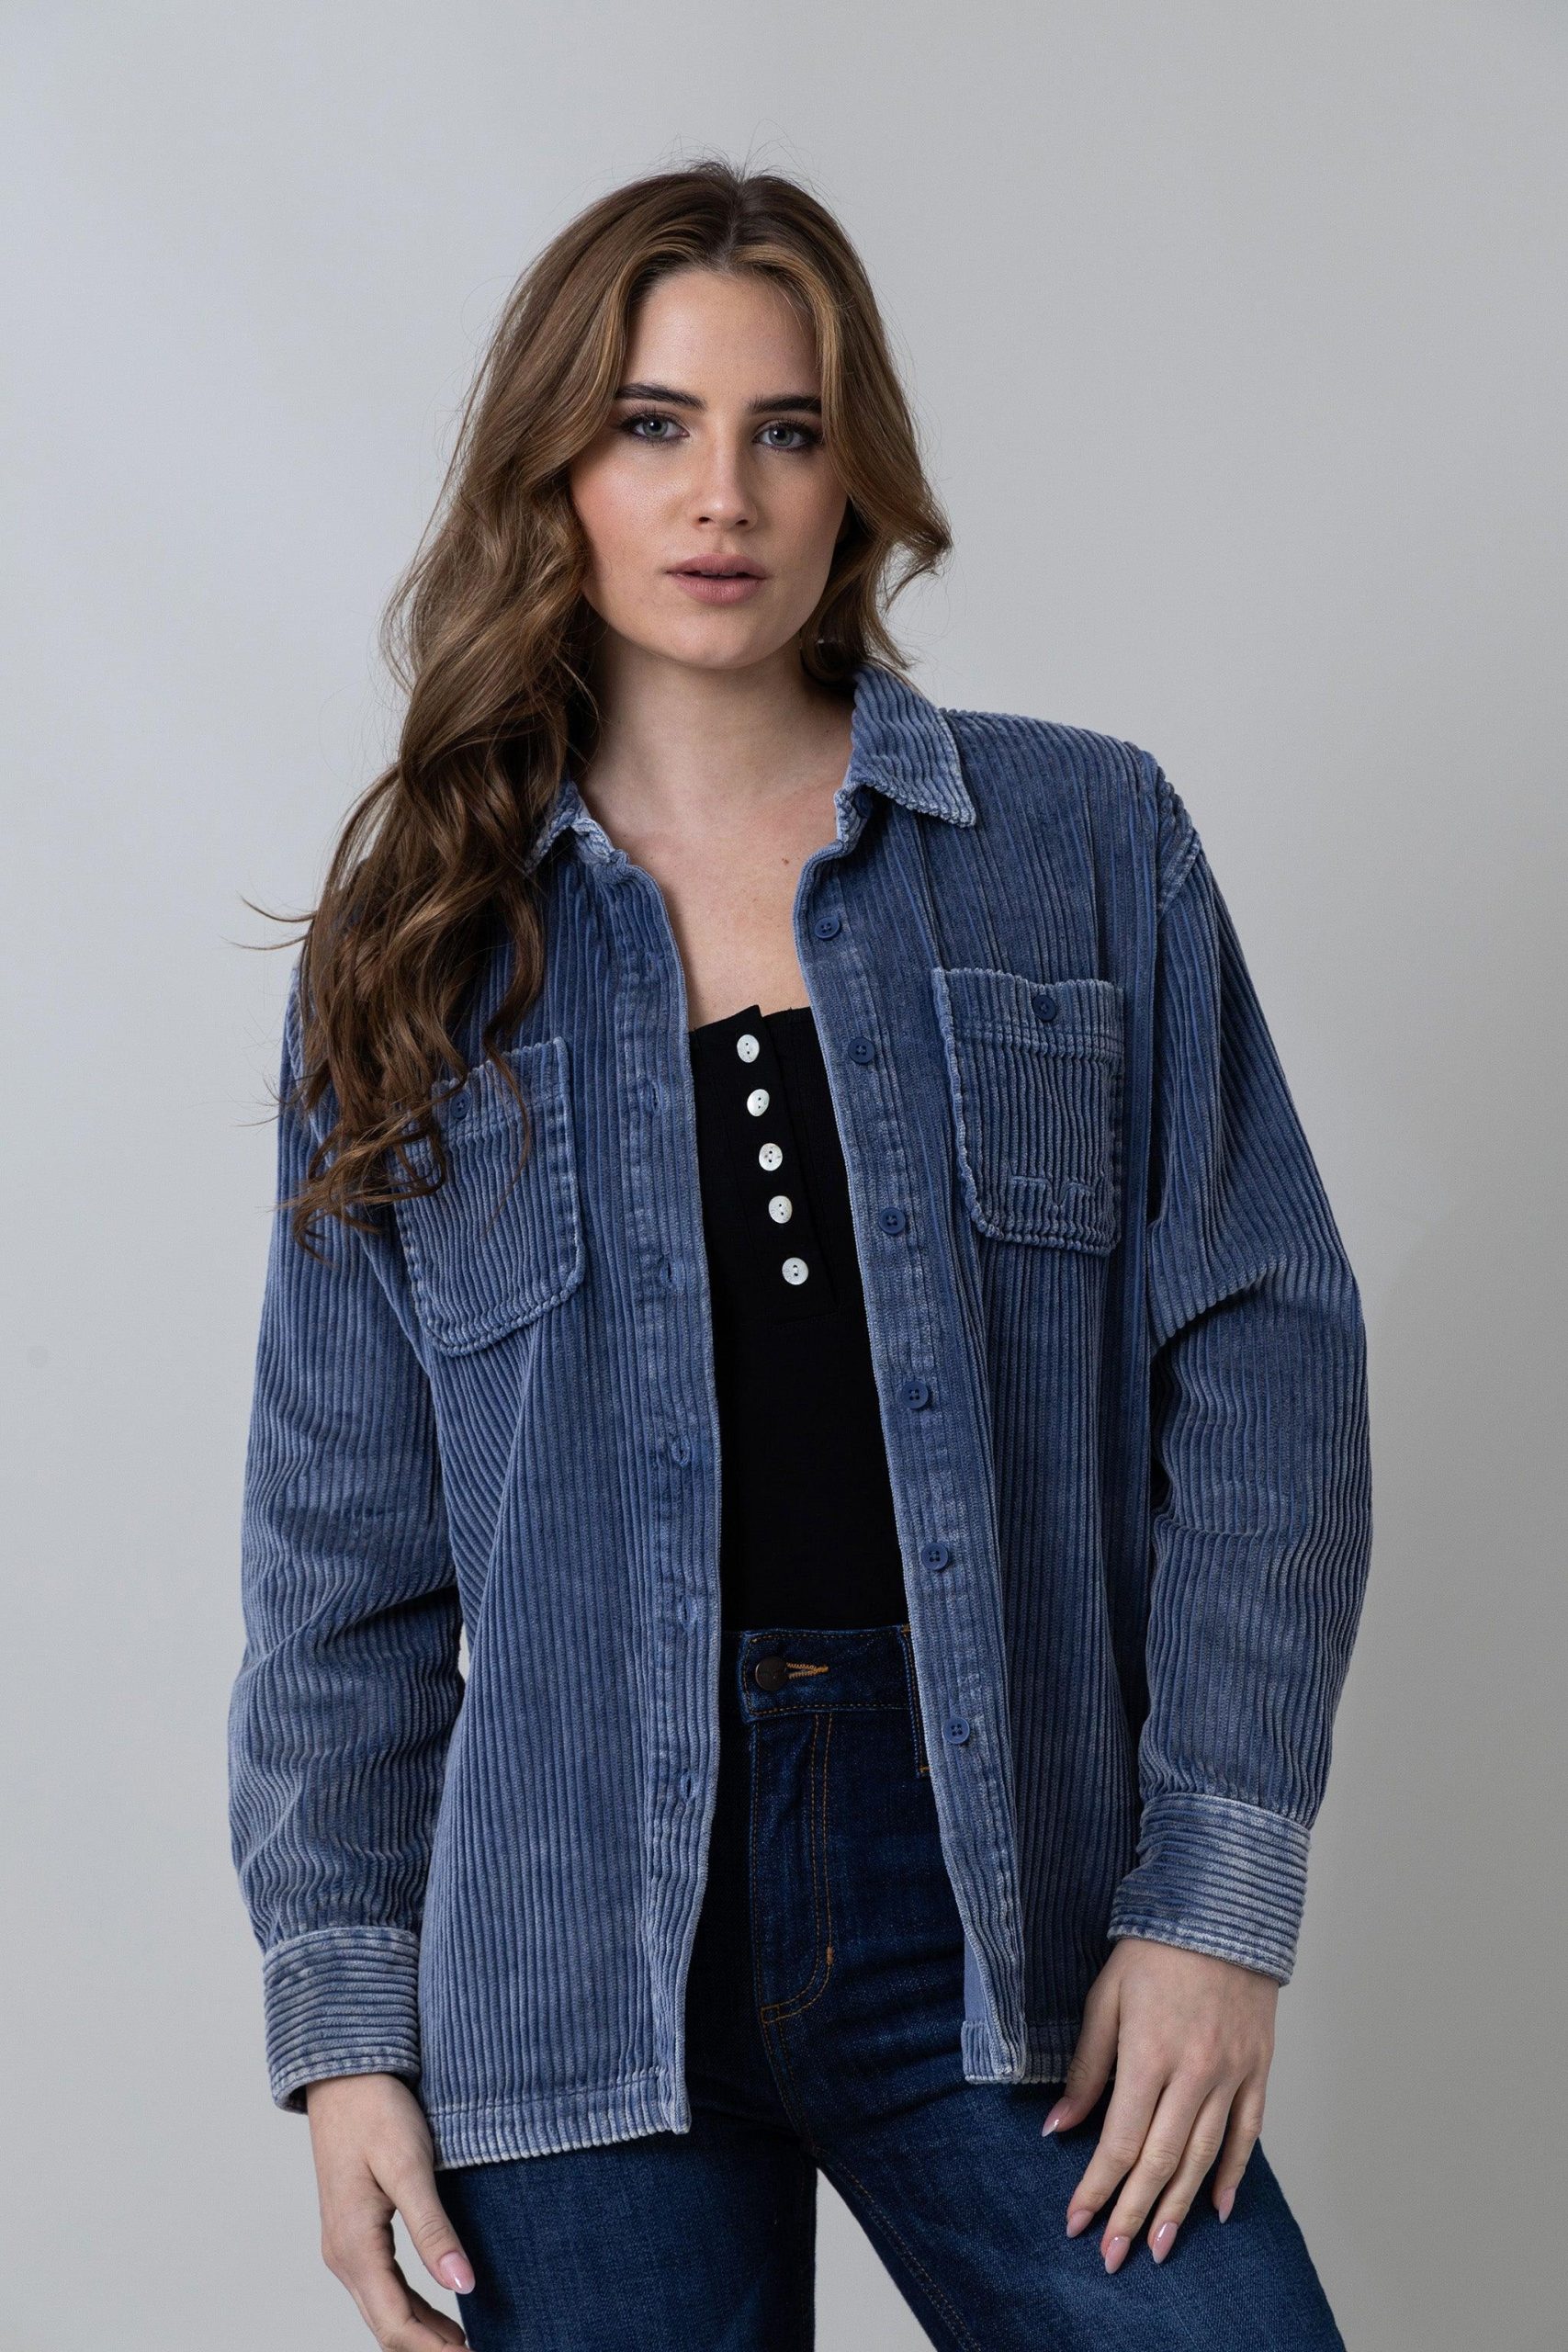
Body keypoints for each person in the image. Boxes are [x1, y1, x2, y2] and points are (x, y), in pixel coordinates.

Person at [228, 159, 1371, 2350]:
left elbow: (1265, 1368)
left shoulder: (1076, 843)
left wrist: (1213, 1906)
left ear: (857, 476)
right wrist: (346, 2033)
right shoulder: (418, 950)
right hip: (563, 1948)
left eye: (785, 428)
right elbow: (337, 1552)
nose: (720, 495)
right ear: (551, 468)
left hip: (1008, 1898)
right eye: (651, 424)